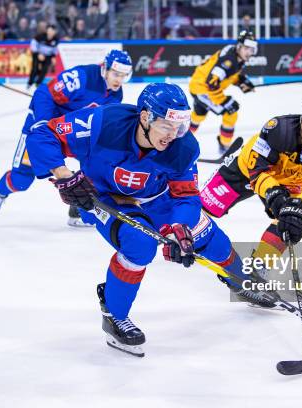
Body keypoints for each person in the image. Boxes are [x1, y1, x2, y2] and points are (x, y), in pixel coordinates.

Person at [24, 82, 267, 357]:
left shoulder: (183, 147)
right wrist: (64, 174)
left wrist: (180, 229)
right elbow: (42, 134)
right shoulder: (102, 122)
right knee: (140, 244)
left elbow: (186, 196)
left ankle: (240, 280)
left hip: (157, 198)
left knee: (208, 236)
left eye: (179, 126)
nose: (173, 135)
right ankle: (115, 315)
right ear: (145, 117)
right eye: (166, 126)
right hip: (104, 196)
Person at [0, 49, 133, 225]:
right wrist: (42, 124)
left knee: (97, 164)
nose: (119, 80)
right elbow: (44, 93)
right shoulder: (82, 77)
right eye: (116, 74)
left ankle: (77, 210)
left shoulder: (116, 95)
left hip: (72, 132)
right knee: (22, 179)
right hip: (45, 131)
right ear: (105, 69)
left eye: (123, 75)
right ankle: (1, 191)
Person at [200, 94, 302, 269]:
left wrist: (301, 208)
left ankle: (260, 268)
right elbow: (257, 169)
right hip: (245, 170)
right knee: (202, 209)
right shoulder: (278, 128)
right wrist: (273, 191)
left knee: (291, 220)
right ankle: (174, 230)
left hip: (287, 184)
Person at [188, 30, 257, 154]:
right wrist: (224, 101)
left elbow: (227, 75)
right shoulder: (230, 61)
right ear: (240, 46)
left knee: (198, 116)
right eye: (247, 48)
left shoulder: (234, 53)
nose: (249, 52)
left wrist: (240, 81)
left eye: (252, 49)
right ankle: (225, 147)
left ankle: (179, 140)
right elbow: (212, 83)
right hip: (203, 89)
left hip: (198, 85)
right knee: (231, 112)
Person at [27, 24, 59, 89]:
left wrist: (53, 57)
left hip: (48, 56)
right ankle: (29, 83)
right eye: (49, 30)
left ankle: (38, 83)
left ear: (54, 32)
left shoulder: (56, 39)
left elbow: (55, 49)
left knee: (44, 70)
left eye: (52, 31)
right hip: (37, 54)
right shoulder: (40, 36)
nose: (50, 32)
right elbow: (33, 44)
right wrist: (37, 53)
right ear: (47, 31)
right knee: (35, 69)